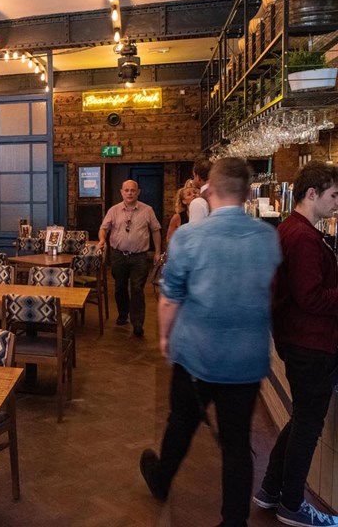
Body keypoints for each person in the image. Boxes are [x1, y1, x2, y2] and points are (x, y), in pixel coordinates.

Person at [139, 157, 282, 527]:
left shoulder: (189, 236)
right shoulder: (268, 237)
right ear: (248, 192)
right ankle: (233, 521)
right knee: (237, 444)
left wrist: (166, 338)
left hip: (196, 353)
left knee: (181, 422)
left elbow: (170, 298)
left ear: (209, 189)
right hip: (247, 359)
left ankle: (161, 477)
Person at [253, 161, 338, 527]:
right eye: (334, 195)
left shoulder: (292, 229)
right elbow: (311, 298)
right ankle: (292, 503)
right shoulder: (303, 237)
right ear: (312, 194)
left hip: (297, 339)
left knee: (301, 418)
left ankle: (271, 489)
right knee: (308, 425)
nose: (337, 203)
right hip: (311, 342)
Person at [97, 179, 162, 336]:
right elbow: (103, 228)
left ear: (138, 192)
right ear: (121, 192)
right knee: (120, 287)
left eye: (133, 190)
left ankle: (138, 322)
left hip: (139, 257)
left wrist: (158, 252)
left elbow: (155, 231)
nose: (130, 193)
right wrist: (102, 239)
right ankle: (122, 314)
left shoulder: (147, 210)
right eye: (126, 190)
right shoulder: (114, 210)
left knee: (137, 288)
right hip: (118, 256)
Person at [188, 156, 212, 224]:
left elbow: (195, 232)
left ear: (198, 177)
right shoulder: (224, 194)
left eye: (194, 176)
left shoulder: (198, 202)